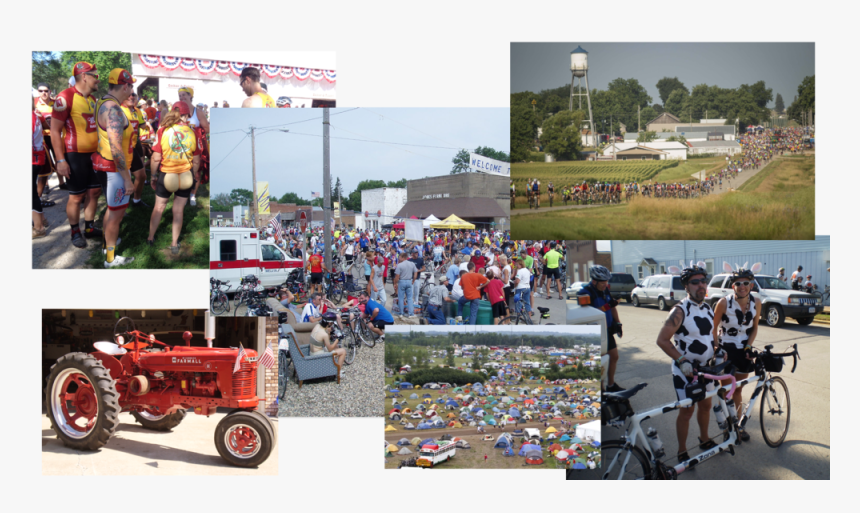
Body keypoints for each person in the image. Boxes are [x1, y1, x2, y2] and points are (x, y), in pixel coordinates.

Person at [655, 262, 717, 463]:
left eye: (703, 281)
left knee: (706, 406)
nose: (701, 285)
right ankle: (682, 450)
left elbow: (709, 336)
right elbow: (662, 340)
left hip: (706, 369)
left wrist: (718, 350)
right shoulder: (680, 311)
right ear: (686, 286)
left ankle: (704, 439)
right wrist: (681, 360)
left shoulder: (708, 308)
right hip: (686, 371)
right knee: (687, 410)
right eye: (695, 282)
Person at [51, 61, 103, 249]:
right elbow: (55, 131)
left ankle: (89, 228)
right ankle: (75, 231)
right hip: (75, 156)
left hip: (94, 155)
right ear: (84, 77)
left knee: (94, 192)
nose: (98, 79)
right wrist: (60, 159)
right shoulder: (65, 97)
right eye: (94, 75)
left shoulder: (93, 100)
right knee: (76, 196)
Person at [91, 69, 138, 268]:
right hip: (115, 170)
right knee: (116, 216)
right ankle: (110, 259)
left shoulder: (102, 101)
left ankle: (106, 246)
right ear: (125, 86)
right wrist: (128, 179)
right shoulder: (114, 110)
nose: (132, 92)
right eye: (131, 87)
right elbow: (116, 148)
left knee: (111, 211)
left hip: (105, 165)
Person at [712, 265, 761, 442]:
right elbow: (713, 328)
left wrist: (749, 346)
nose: (742, 286)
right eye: (738, 283)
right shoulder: (724, 303)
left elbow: (755, 328)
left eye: (746, 283)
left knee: (738, 390)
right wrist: (717, 349)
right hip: (726, 351)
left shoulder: (756, 302)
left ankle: (738, 426)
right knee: (726, 392)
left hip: (744, 351)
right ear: (733, 286)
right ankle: (727, 429)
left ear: (751, 285)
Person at [147, 101, 202, 255]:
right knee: (178, 211)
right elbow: (197, 160)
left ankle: (150, 238)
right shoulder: (193, 132)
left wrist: (152, 176)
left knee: (159, 207)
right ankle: (174, 244)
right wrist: (195, 177)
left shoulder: (163, 130)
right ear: (186, 115)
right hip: (185, 175)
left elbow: (156, 158)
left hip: (167, 175)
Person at [578, 265, 623, 391]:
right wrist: (607, 306)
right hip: (595, 332)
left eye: (607, 281)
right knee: (601, 361)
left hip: (606, 329)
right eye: (603, 282)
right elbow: (588, 314)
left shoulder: (604, 290)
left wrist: (618, 323)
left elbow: (612, 306)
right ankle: (601, 390)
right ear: (594, 281)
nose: (605, 284)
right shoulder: (585, 293)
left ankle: (611, 385)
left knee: (614, 357)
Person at [177, 87, 209, 207]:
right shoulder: (176, 111)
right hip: (180, 146)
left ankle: (192, 195)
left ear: (191, 96)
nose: (182, 97)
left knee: (196, 171)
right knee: (182, 170)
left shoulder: (198, 112)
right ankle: (182, 194)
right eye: (180, 95)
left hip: (195, 146)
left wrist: (193, 130)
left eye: (184, 95)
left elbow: (207, 128)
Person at [121, 91, 150, 210]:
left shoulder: (137, 111)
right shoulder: (119, 110)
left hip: (132, 146)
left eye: (134, 95)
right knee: (122, 179)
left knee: (142, 175)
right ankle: (120, 206)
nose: (131, 96)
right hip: (120, 149)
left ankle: (136, 200)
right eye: (129, 94)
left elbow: (142, 125)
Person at [308, 312, 346, 380]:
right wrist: (338, 339)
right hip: (318, 356)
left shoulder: (317, 326)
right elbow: (330, 349)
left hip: (313, 352)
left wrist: (328, 332)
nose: (332, 325)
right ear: (329, 323)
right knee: (343, 351)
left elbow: (325, 343)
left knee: (336, 346)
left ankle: (334, 368)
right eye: (331, 323)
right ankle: (338, 374)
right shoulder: (324, 334)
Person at [32, 111, 48, 238]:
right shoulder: (34, 114)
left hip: (32, 160)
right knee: (33, 194)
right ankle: (41, 221)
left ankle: (39, 228)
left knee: (31, 195)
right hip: (36, 158)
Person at [394, 252, 418, 319]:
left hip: (402, 281)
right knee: (410, 298)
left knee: (401, 298)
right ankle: (411, 313)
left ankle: (401, 313)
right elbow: (416, 273)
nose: (399, 258)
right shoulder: (412, 264)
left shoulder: (400, 265)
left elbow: (397, 276)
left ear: (403, 257)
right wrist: (413, 280)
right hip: (409, 281)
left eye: (400, 257)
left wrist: (395, 283)